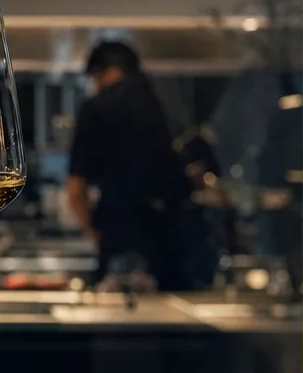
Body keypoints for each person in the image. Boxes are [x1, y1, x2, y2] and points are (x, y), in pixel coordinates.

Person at [65, 40, 206, 291]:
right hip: (170, 239)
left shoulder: (96, 108)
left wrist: (92, 232)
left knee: (120, 306)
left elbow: (76, 187)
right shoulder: (160, 105)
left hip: (119, 235)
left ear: (104, 72)